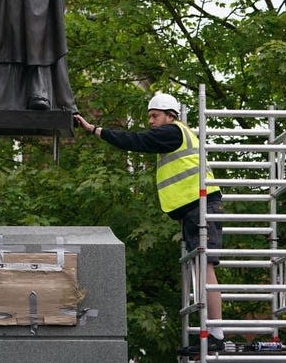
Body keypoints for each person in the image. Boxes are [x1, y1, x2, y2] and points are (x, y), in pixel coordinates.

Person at [74, 93, 225, 354]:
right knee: (200, 268)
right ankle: (212, 334)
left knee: (205, 267)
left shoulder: (172, 132)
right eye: (149, 117)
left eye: (155, 116)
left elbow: (135, 140)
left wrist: (95, 130)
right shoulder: (176, 134)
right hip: (193, 207)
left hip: (200, 205)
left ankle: (216, 335)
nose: (151, 121)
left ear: (170, 115)